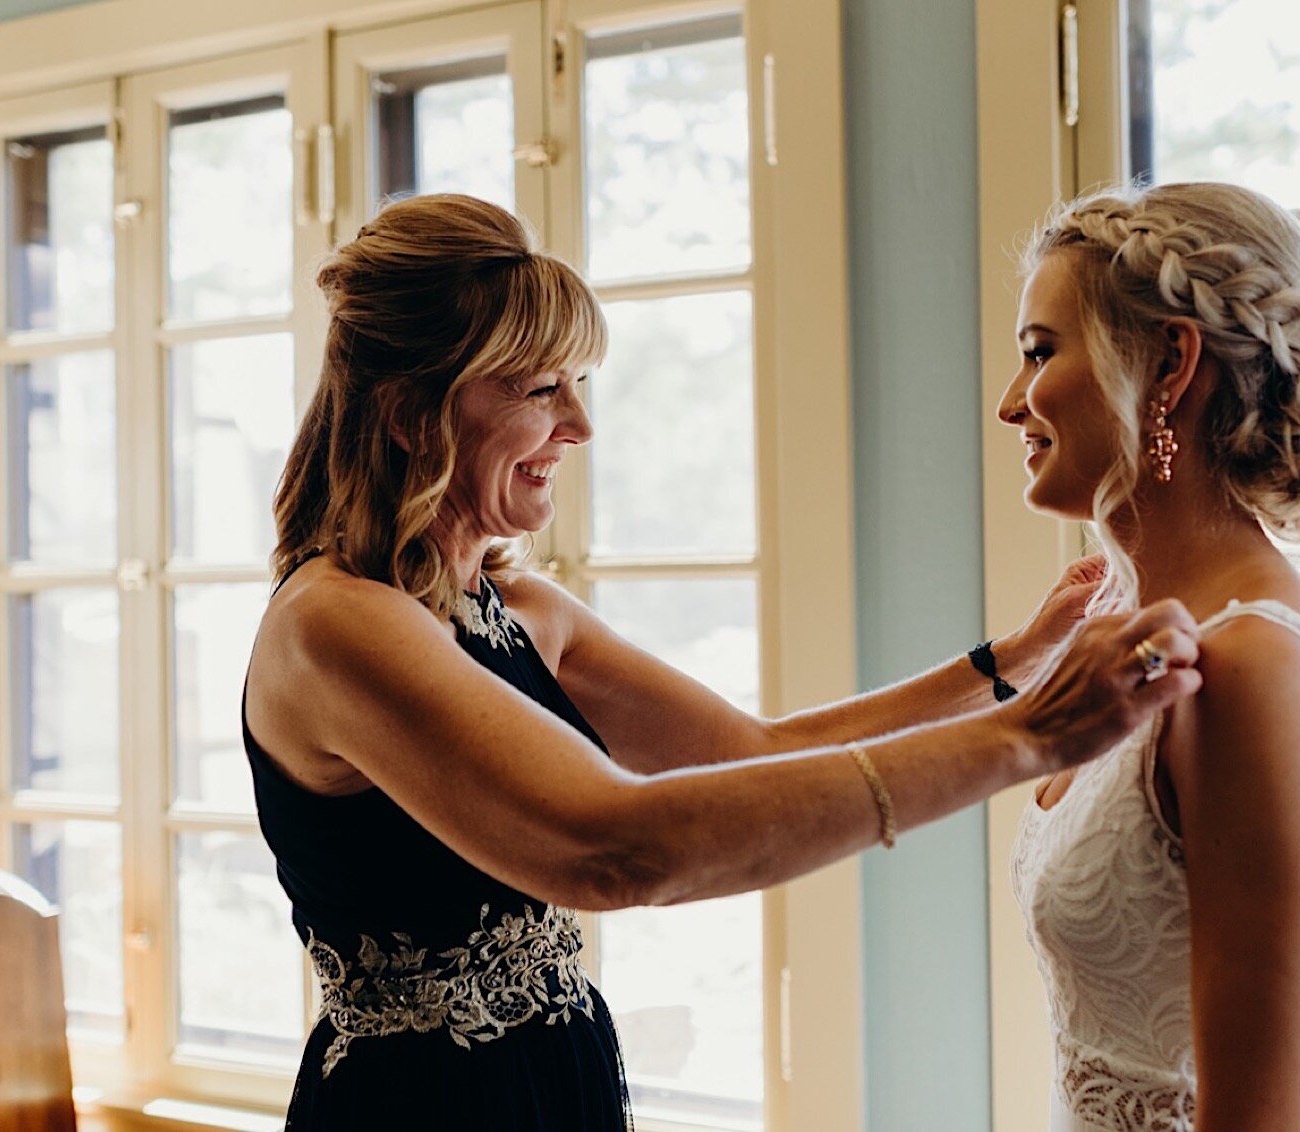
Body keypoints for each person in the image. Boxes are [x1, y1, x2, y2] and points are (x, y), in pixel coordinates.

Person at [242, 192, 1203, 1130]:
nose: (579, 426)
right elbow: (613, 849)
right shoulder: (334, 627)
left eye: (580, 384)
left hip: (558, 1075)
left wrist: (1011, 663)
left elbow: (748, 751)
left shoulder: (524, 611)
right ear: (413, 414)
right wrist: (1026, 737)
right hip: (424, 1109)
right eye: (541, 389)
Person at [1000, 181, 1300, 1132]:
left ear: (1170, 363)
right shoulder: (1119, 637)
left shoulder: (1253, 669)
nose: (1012, 404)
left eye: (1040, 354)